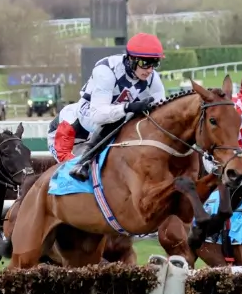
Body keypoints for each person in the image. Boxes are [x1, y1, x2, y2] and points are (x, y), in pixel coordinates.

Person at [67, 32, 167, 182]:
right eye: (145, 63)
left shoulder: (153, 78)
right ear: (131, 59)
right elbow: (98, 115)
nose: (150, 70)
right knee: (119, 119)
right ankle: (83, 162)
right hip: (89, 113)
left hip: (117, 112)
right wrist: (128, 108)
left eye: (155, 63)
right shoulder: (106, 71)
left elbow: (162, 110)